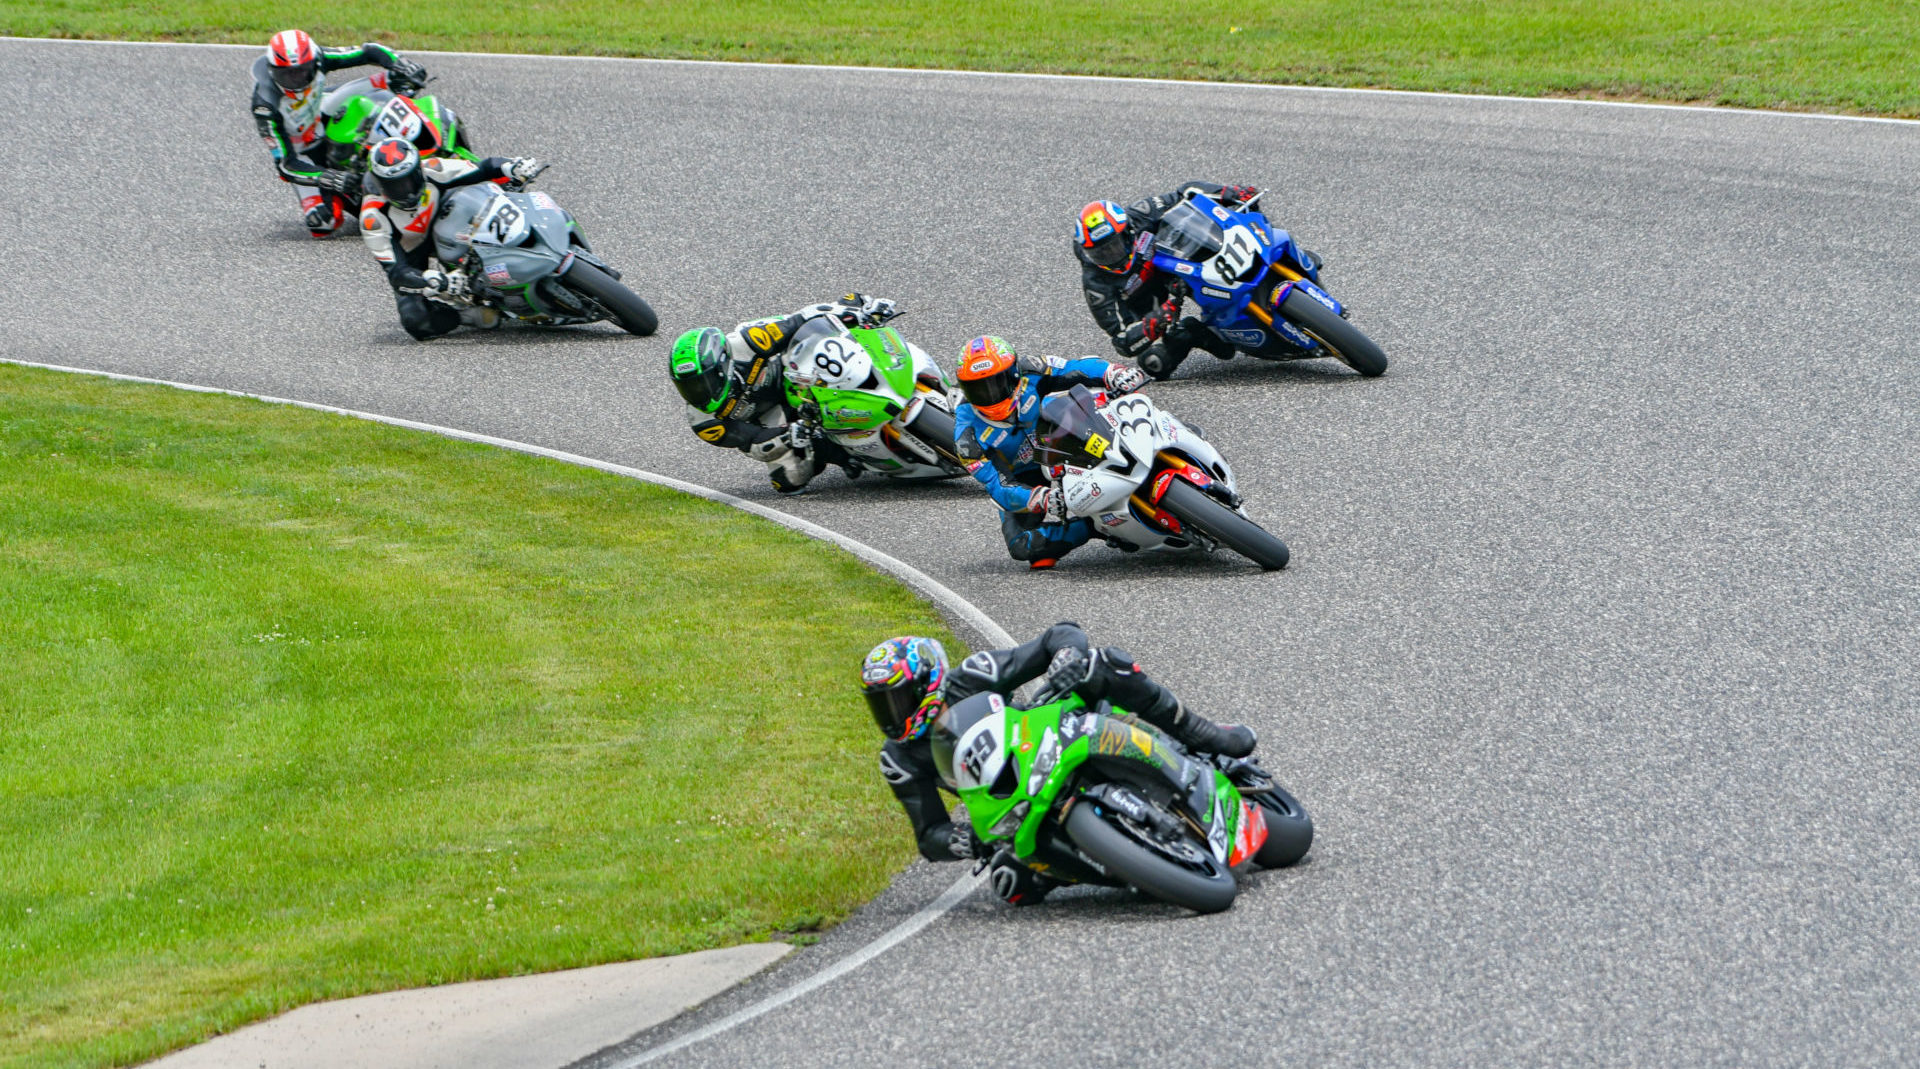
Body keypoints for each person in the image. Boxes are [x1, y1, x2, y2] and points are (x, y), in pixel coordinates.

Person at [859, 624, 1257, 906]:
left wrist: (1066, 657)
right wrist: (963, 840)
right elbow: (929, 833)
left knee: (1103, 665)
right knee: (1010, 884)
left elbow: (1057, 636)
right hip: (1011, 805)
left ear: (927, 683)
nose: (892, 716)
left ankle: (1200, 734)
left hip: (1044, 740)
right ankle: (1136, 868)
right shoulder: (898, 758)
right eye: (880, 705)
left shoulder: (971, 676)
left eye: (898, 699)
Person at [951, 335, 1147, 569]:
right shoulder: (967, 436)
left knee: (1122, 404)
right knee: (1022, 546)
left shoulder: (1031, 369)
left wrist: (1112, 372)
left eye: (995, 384)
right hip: (1024, 475)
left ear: (1014, 375)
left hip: (1064, 440)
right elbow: (997, 485)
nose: (989, 396)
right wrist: (1040, 498)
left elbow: (1074, 367)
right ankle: (1098, 526)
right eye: (978, 390)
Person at [668, 295, 895, 494]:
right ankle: (851, 454)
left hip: (791, 368)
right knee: (788, 481)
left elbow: (801, 319)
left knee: (845, 322)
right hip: (771, 418)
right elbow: (753, 441)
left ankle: (882, 361)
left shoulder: (747, 342)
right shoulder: (703, 421)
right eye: (688, 387)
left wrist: (853, 312)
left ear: (722, 366)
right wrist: (790, 435)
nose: (697, 393)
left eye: (702, 383)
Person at [356, 137, 547, 340]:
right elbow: (397, 273)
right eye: (394, 186)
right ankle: (465, 314)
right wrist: (435, 280)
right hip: (414, 250)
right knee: (416, 321)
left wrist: (511, 166)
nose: (406, 191)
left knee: (489, 188)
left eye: (409, 180)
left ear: (419, 171)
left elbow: (482, 168)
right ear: (379, 184)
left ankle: (529, 231)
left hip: (448, 215)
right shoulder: (373, 219)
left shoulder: (434, 168)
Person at [1074, 182, 1270, 378]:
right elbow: (1121, 340)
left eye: (1113, 246)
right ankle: (1197, 332)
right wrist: (1155, 320)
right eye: (1100, 253)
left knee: (1222, 224)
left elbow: (1186, 193)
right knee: (1154, 363)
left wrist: (1228, 192)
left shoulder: (1140, 213)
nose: (1110, 256)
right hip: (1149, 303)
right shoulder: (1095, 284)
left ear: (1127, 232)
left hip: (1176, 263)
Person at [249, 29, 428, 237]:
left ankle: (417, 134)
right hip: (302, 152)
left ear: (314, 63)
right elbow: (285, 166)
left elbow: (368, 51)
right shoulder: (265, 106)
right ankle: (349, 191)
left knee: (398, 78)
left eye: (302, 71)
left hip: (322, 111)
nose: (295, 79)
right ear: (272, 70)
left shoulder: (321, 57)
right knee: (323, 223)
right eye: (286, 73)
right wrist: (327, 177)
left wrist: (399, 62)